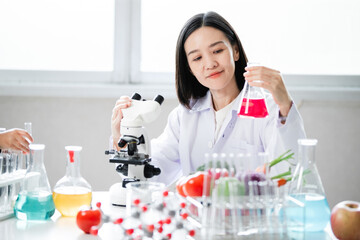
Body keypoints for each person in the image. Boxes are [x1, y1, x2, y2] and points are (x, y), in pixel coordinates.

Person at [111, 11, 306, 186]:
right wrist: (124, 136)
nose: (210, 63)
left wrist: (285, 106)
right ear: (189, 68)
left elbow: (291, 174)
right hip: (197, 221)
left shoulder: (268, 109)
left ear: (235, 51)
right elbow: (150, 176)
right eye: (197, 58)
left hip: (250, 220)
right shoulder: (184, 116)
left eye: (217, 51)